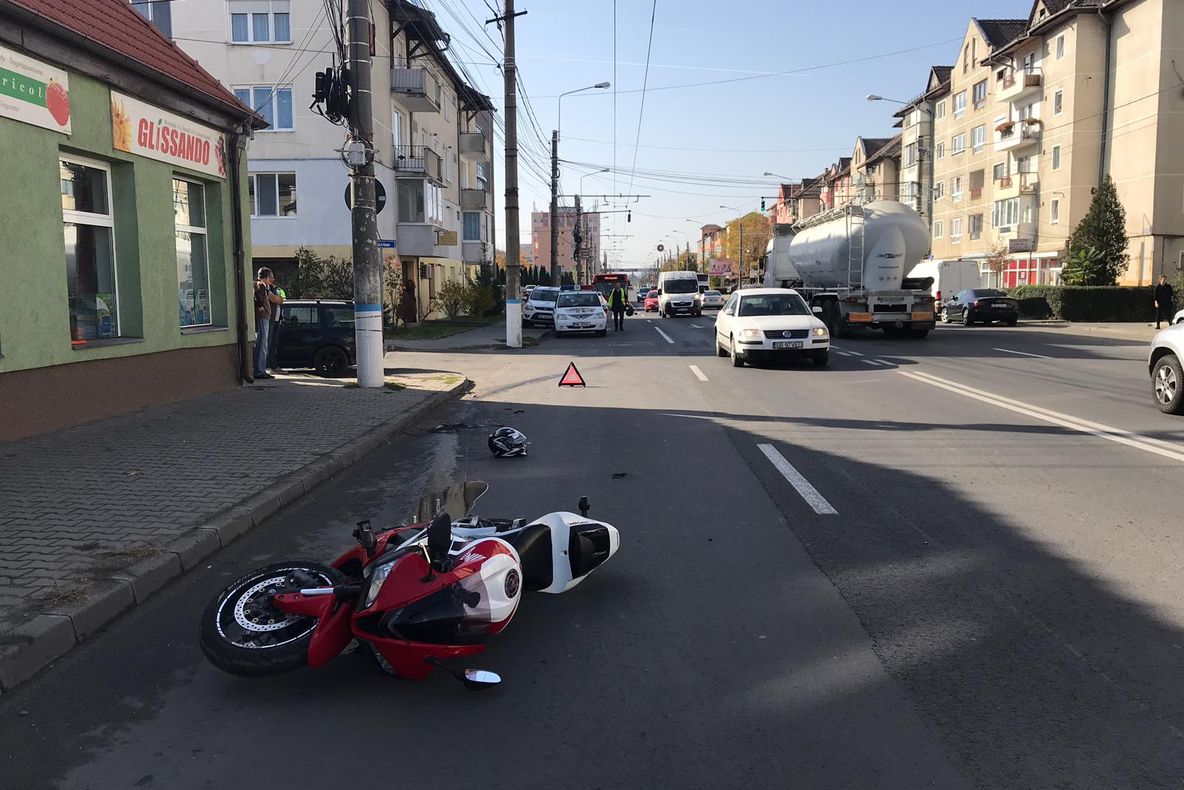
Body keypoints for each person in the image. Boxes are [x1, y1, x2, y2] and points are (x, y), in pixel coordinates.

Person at [253, 267, 283, 379]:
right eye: (270, 277)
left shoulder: (264, 286)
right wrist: (261, 308)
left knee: (263, 344)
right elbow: (258, 297)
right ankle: (260, 371)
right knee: (262, 345)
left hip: (265, 317)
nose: (271, 280)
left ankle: (261, 369)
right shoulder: (260, 285)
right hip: (263, 317)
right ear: (266, 277)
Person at [267, 280, 286, 373]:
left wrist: (278, 299)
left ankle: (272, 366)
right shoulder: (264, 288)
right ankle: (268, 366)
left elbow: (281, 299)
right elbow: (276, 300)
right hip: (269, 320)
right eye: (271, 277)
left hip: (276, 321)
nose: (273, 280)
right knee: (268, 344)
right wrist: (278, 299)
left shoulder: (276, 289)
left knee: (274, 344)